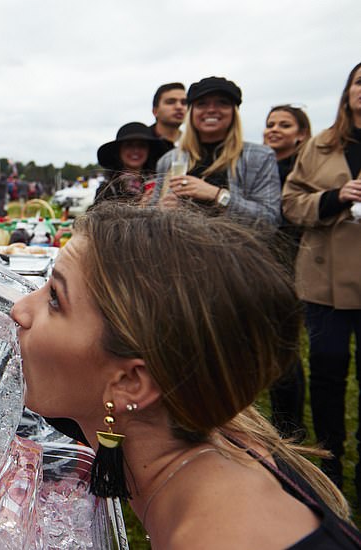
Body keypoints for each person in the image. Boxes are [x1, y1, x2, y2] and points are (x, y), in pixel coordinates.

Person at [12, 203, 360, 548]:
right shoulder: (199, 425)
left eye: (55, 299)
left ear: (132, 383)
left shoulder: (217, 538)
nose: (20, 309)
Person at [282, 61, 361, 491]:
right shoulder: (320, 146)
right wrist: (335, 196)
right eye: (360, 81)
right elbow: (291, 204)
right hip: (325, 280)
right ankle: (329, 463)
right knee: (328, 374)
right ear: (347, 91)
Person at [155, 76, 280, 227]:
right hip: (180, 248)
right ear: (191, 112)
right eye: (202, 104)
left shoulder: (259, 157)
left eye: (223, 103)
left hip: (237, 249)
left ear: (234, 112)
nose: (211, 110)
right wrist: (160, 211)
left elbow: (269, 221)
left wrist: (217, 195)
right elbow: (151, 217)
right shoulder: (170, 159)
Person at [264, 104, 312, 441]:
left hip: (293, 261)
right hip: (262, 263)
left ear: (302, 134)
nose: (274, 130)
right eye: (270, 124)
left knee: (284, 349)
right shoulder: (261, 167)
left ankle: (290, 428)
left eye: (284, 124)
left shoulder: (302, 169)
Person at [93, 121, 167, 205]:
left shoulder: (162, 183)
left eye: (141, 145)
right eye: (129, 145)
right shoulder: (108, 189)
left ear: (149, 151)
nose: (136, 150)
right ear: (119, 151)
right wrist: (140, 207)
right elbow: (99, 217)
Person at [149, 82, 187, 151]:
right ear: (155, 111)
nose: (179, 107)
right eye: (170, 102)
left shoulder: (193, 142)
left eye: (184, 103)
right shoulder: (142, 142)